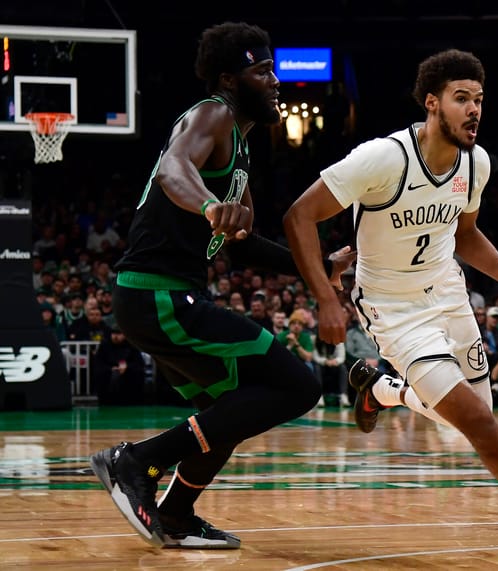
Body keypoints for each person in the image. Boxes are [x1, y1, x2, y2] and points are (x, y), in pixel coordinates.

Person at [283, 48, 498, 551]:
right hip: (393, 309)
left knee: (475, 417)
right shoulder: (381, 159)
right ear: (432, 103)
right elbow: (298, 216)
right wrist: (325, 300)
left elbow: (464, 236)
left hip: (447, 291)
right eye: (461, 98)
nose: (474, 110)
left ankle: (382, 391)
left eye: (479, 100)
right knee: (479, 423)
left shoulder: (476, 163)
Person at [88, 22, 353, 550]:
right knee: (298, 385)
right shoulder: (213, 113)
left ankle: (179, 514)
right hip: (157, 291)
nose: (275, 80)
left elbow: (245, 245)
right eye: (263, 71)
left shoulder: (241, 155)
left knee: (234, 405)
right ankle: (136, 460)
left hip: (167, 296)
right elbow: (172, 166)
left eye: (275, 68)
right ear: (231, 79)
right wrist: (209, 205)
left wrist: (320, 265)